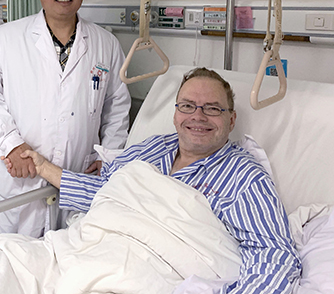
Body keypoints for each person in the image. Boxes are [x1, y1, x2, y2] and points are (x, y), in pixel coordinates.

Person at [21, 68, 302, 293]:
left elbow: (273, 256)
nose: (198, 116)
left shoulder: (245, 177)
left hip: (155, 275)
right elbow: (106, 193)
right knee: (8, 262)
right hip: (91, 250)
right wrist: (44, 168)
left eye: (213, 108)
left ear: (231, 120)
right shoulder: (152, 148)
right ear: (176, 113)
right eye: (188, 106)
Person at [0, 0, 131, 237]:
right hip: (21, 178)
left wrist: (109, 156)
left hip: (78, 176)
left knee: (72, 253)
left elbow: (116, 106)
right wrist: (11, 145)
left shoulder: (105, 43)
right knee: (15, 257)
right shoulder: (7, 38)